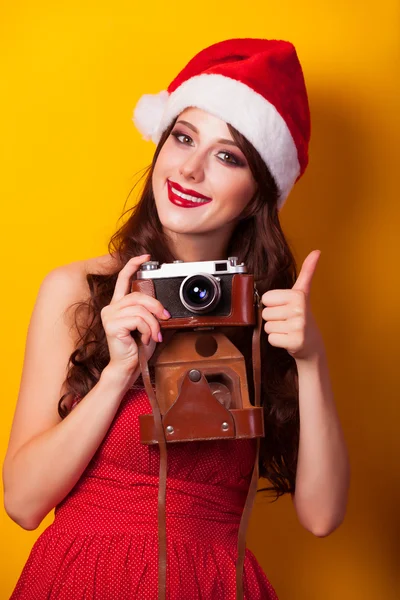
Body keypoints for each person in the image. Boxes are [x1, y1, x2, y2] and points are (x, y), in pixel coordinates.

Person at [3, 38, 350, 599]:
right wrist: (117, 373)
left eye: (226, 155)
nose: (189, 169)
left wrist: (311, 359)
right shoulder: (79, 291)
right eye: (182, 138)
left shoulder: (269, 315)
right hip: (85, 579)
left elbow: (322, 515)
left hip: (212, 583)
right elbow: (21, 503)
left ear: (258, 190)